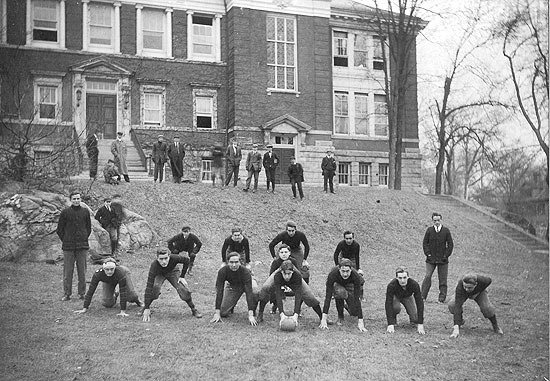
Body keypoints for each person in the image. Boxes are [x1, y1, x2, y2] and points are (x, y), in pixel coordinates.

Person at [141, 248, 202, 322]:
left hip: (173, 271)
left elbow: (187, 260)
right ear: (157, 258)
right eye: (161, 259)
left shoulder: (175, 258)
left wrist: (182, 276)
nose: (164, 261)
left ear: (169, 256)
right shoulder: (154, 266)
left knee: (182, 289)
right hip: (160, 274)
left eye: (166, 258)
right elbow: (148, 286)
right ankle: (145, 308)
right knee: (155, 288)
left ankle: (193, 309)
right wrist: (147, 307)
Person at [257, 260, 324, 325]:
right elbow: (278, 294)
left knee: (309, 296)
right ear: (281, 272)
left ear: (292, 271)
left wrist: (295, 315)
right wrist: (282, 314)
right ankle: (260, 313)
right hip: (278, 278)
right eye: (285, 274)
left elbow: (298, 295)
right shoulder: (277, 275)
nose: (287, 276)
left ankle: (322, 318)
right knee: (266, 287)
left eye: (289, 274)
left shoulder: (297, 275)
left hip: (294, 280)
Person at [73, 258, 143, 316]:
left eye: (112, 269)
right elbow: (91, 291)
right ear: (103, 269)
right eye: (107, 269)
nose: (109, 272)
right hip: (108, 280)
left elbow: (123, 291)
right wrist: (85, 308)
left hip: (123, 274)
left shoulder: (121, 273)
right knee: (107, 303)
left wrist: (123, 311)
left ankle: (137, 300)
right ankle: (115, 295)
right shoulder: (98, 274)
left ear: (115, 268)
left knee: (131, 296)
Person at [56, 192, 92, 301]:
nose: (76, 200)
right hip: (68, 247)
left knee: (82, 271)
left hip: (82, 246)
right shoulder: (65, 212)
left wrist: (84, 236)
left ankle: (82, 293)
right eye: (74, 199)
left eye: (78, 198)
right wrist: (66, 239)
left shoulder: (85, 212)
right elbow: (60, 229)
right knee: (68, 271)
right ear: (70, 200)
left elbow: (88, 228)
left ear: (81, 200)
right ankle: (67, 293)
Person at [210, 251, 259, 326]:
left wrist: (250, 315)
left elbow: (249, 292)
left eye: (236, 262)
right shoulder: (222, 271)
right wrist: (217, 313)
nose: (234, 265)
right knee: (223, 312)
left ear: (240, 262)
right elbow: (219, 290)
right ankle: (231, 305)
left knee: (254, 292)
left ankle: (253, 310)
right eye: (231, 262)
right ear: (227, 262)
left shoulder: (245, 272)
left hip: (248, 284)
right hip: (233, 286)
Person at [448, 274, 503, 338]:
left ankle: (495, 326)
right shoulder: (460, 287)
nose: (466, 289)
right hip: (463, 294)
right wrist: (456, 328)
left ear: (476, 284)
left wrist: (478, 291)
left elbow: (489, 281)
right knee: (452, 305)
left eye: (469, 287)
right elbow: (457, 306)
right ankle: (460, 321)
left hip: (479, 292)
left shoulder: (483, 280)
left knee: (487, 308)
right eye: (465, 286)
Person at [319, 259, 367, 332]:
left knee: (354, 313)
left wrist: (360, 322)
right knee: (339, 293)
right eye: (343, 271)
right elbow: (328, 297)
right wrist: (323, 319)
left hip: (350, 284)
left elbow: (357, 298)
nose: (345, 274)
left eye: (347, 271)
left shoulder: (356, 276)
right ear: (339, 269)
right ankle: (340, 316)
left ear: (351, 270)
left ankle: (347, 305)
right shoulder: (333, 274)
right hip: (338, 285)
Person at [421, 212, 454, 303]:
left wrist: (446, 255)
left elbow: (450, 244)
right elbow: (425, 243)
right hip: (431, 260)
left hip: (443, 260)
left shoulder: (446, 231)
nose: (437, 222)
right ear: (432, 221)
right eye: (435, 220)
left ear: (441, 220)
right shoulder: (429, 230)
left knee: (443, 279)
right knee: (427, 276)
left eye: (438, 220)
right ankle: (422, 297)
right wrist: (428, 254)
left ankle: (441, 298)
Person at [385, 267, 425, 334]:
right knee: (396, 307)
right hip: (396, 297)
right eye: (400, 278)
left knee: (416, 319)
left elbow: (419, 302)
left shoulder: (414, 284)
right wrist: (390, 324)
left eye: (404, 277)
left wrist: (420, 323)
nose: (402, 280)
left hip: (407, 297)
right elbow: (388, 303)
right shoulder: (391, 285)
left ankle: (412, 320)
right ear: (396, 278)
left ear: (408, 277)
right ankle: (393, 318)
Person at [333, 230, 365, 301]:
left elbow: (357, 256)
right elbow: (336, 254)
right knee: (336, 274)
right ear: (344, 238)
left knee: (359, 277)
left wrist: (358, 268)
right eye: (347, 239)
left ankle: (360, 296)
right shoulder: (341, 244)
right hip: (343, 257)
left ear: (353, 238)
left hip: (352, 258)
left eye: (350, 238)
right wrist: (337, 265)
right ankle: (334, 293)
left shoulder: (356, 245)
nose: (348, 240)